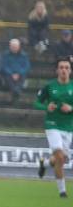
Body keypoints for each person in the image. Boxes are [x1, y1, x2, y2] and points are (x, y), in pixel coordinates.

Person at [37, 57, 73, 198]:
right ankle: (62, 191)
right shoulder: (50, 86)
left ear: (70, 71)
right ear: (57, 70)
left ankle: (45, 164)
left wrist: (71, 108)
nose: (64, 70)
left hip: (68, 127)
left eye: (66, 67)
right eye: (61, 67)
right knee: (59, 156)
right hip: (52, 125)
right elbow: (36, 103)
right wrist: (47, 106)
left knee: (60, 159)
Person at [1, 38, 31, 103]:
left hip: (20, 74)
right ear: (10, 47)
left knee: (22, 77)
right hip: (9, 74)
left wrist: (18, 73)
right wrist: (11, 74)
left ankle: (16, 91)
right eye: (12, 47)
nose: (14, 48)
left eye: (15, 47)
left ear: (19, 47)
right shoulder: (6, 54)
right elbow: (4, 66)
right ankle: (16, 92)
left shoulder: (24, 55)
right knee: (8, 77)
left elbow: (26, 66)